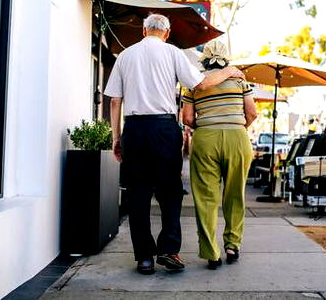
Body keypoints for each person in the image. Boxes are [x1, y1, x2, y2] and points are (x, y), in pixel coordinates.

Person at [104, 14, 245, 275]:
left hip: (134, 129)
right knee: (170, 193)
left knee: (138, 195)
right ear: (166, 33)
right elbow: (200, 84)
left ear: (144, 31)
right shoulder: (173, 53)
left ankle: (144, 258)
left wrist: (116, 138)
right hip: (164, 129)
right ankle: (169, 250)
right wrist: (228, 71)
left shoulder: (125, 56)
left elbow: (114, 101)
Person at [181, 40, 258, 270]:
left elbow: (187, 119)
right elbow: (252, 113)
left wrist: (206, 124)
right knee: (235, 194)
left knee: (205, 197)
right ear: (227, 57)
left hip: (205, 139)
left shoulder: (195, 83)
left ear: (204, 57)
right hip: (237, 137)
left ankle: (211, 252)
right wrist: (236, 127)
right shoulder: (239, 80)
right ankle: (233, 244)